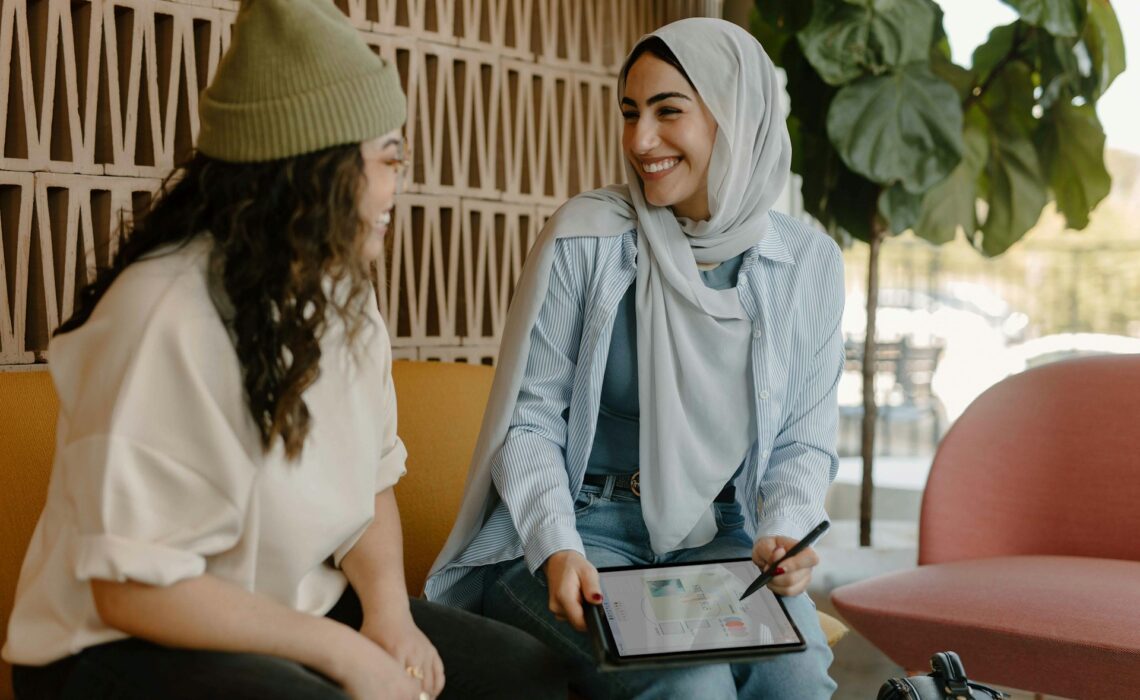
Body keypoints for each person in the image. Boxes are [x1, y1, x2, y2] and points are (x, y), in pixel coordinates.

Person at [2, 1, 566, 699]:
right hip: (115, 648)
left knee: (526, 678)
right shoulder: (164, 312)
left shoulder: (344, 297)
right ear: (314, 170)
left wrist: (389, 619)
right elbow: (131, 591)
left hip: (289, 612)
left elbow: (372, 485)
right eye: (387, 160)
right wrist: (342, 653)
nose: (397, 185)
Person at [424, 17, 843, 699]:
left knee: (797, 679)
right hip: (580, 533)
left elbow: (802, 437)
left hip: (722, 537)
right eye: (629, 113)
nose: (639, 140)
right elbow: (528, 422)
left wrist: (784, 533)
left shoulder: (808, 263)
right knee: (693, 686)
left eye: (667, 111)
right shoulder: (587, 238)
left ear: (734, 118)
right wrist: (558, 545)